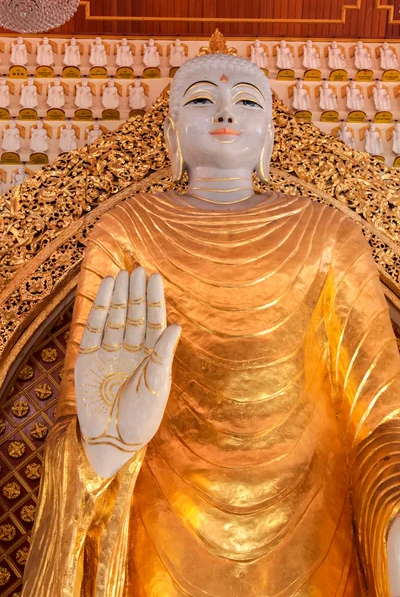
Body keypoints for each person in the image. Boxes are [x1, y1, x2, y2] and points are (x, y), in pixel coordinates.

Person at [23, 52, 400, 597]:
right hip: (162, 525)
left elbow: (382, 424)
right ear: (173, 130)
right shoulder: (126, 231)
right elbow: (78, 412)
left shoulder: (329, 234)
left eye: (247, 101)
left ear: (270, 131)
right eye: (201, 99)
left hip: (315, 533)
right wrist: (101, 452)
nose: (225, 111)